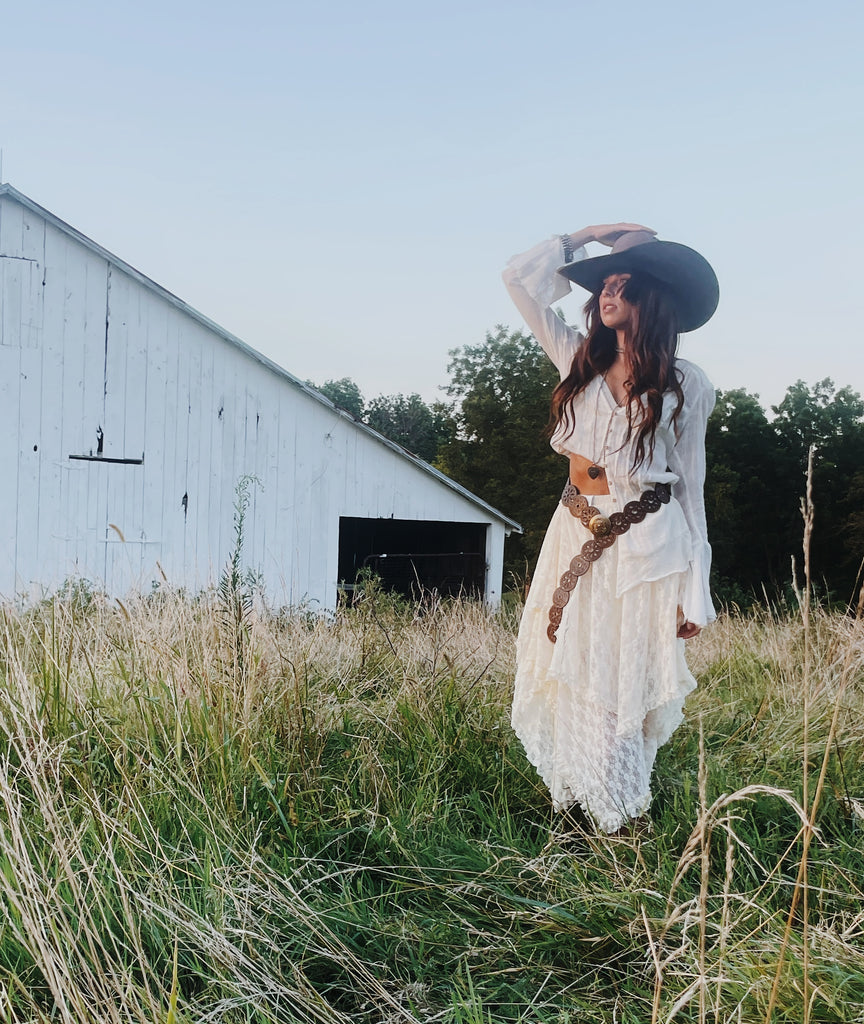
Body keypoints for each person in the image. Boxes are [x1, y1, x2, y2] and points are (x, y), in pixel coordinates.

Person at [502, 223, 718, 834]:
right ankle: (577, 809)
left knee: (620, 681)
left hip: (648, 546)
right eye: (603, 285)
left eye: (622, 284)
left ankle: (619, 818)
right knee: (568, 666)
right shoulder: (577, 359)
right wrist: (586, 238)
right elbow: (517, 279)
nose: (606, 293)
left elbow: (692, 489)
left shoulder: (685, 384)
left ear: (652, 298)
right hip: (572, 534)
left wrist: (696, 589)